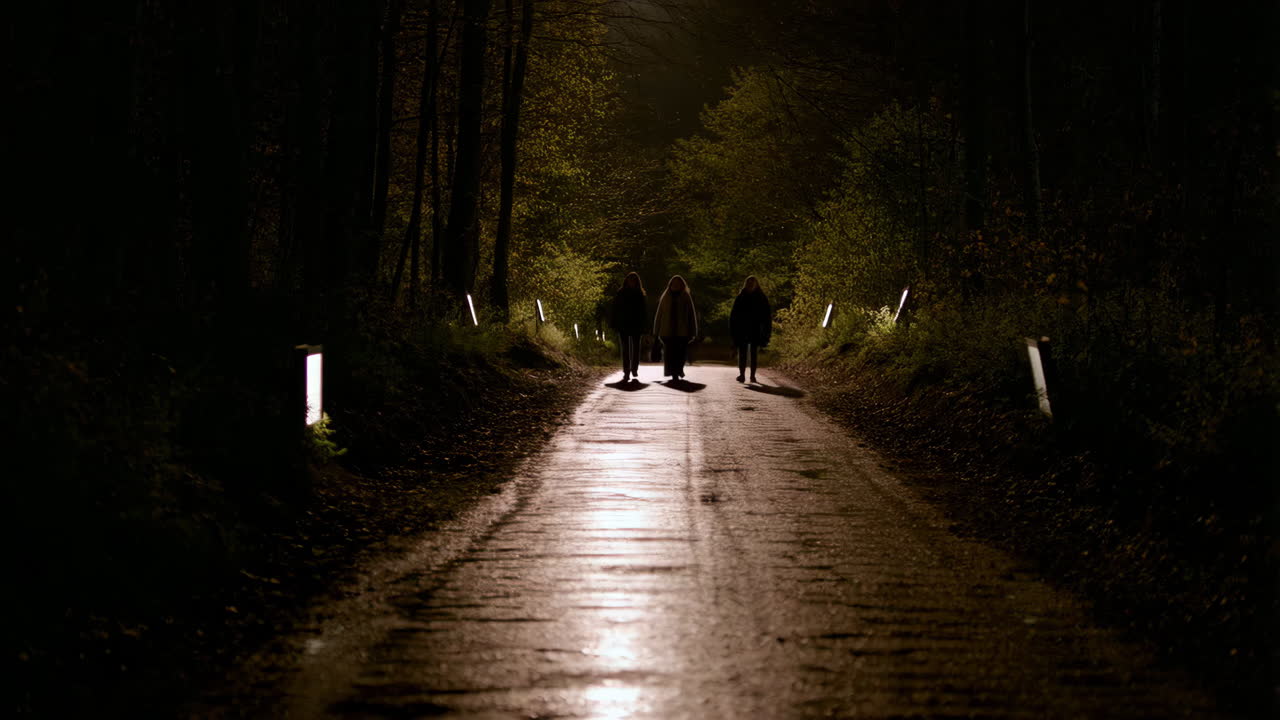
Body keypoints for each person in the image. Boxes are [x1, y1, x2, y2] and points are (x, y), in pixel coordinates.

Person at [653, 275, 698, 380]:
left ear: (682, 284)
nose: (676, 285)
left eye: (678, 283)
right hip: (667, 330)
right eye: (674, 283)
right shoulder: (666, 296)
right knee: (669, 353)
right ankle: (673, 372)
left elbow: (691, 314)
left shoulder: (686, 296)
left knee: (680, 353)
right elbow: (659, 314)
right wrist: (656, 330)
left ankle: (679, 369)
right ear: (670, 284)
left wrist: (693, 331)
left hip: (682, 331)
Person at [729, 275, 771, 383]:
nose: (751, 285)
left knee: (753, 353)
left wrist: (766, 331)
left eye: (753, 283)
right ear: (746, 284)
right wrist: (734, 329)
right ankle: (742, 374)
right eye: (749, 283)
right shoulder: (741, 296)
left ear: (756, 284)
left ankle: (752, 375)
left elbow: (767, 316)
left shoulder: (761, 297)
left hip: (756, 328)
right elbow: (734, 315)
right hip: (742, 329)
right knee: (742, 353)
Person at [610, 272, 647, 382]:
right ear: (626, 281)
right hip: (624, 324)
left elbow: (643, 312)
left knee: (636, 349)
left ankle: (634, 369)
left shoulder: (640, 293)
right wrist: (614, 323)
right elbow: (615, 309)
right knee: (626, 349)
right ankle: (626, 371)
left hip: (636, 324)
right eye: (630, 280)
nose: (632, 282)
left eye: (634, 280)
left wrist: (644, 325)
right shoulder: (621, 293)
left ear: (637, 282)